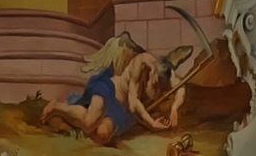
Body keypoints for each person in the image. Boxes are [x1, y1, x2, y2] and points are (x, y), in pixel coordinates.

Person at [43, 35, 194, 145]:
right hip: (109, 90)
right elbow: (134, 103)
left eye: (161, 85)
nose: (158, 87)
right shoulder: (140, 62)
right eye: (155, 82)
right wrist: (152, 123)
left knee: (102, 135)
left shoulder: (167, 73)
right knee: (90, 122)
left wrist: (175, 107)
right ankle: (57, 107)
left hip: (121, 111)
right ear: (153, 70)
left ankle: (78, 117)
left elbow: (181, 88)